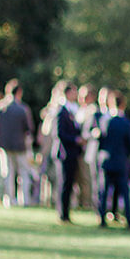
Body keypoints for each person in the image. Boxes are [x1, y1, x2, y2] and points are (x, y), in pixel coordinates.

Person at [98, 91, 130, 229]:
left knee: (103, 191)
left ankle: (102, 219)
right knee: (124, 192)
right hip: (121, 160)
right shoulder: (126, 123)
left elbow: (101, 140)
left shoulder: (105, 120)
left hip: (106, 159)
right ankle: (129, 220)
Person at [0, 81, 35, 206]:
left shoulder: (0, 107)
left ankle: (9, 199)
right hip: (20, 145)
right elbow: (29, 128)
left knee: (7, 173)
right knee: (23, 172)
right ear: (19, 92)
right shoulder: (22, 109)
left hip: (5, 145)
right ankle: (24, 199)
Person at [55, 83, 83, 223]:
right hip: (64, 153)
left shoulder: (75, 109)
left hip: (73, 153)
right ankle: (62, 213)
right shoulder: (62, 111)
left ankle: (66, 212)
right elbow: (60, 133)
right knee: (64, 183)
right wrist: (75, 139)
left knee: (70, 183)